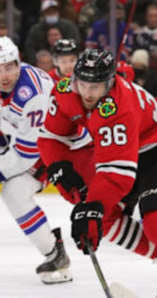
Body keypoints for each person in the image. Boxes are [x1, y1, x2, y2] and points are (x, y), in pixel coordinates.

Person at [37, 48, 157, 298]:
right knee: (104, 218)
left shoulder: (119, 107)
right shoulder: (65, 90)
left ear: (109, 83)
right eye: (83, 84)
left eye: (95, 86)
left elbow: (117, 175)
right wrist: (58, 166)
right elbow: (50, 137)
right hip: (124, 154)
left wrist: (92, 206)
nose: (88, 93)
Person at [0, 36, 72, 284]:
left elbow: (29, 154)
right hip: (18, 136)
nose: (4, 75)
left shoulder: (33, 95)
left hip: (52, 147)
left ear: (19, 62)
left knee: (14, 192)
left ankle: (55, 254)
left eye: (9, 66)